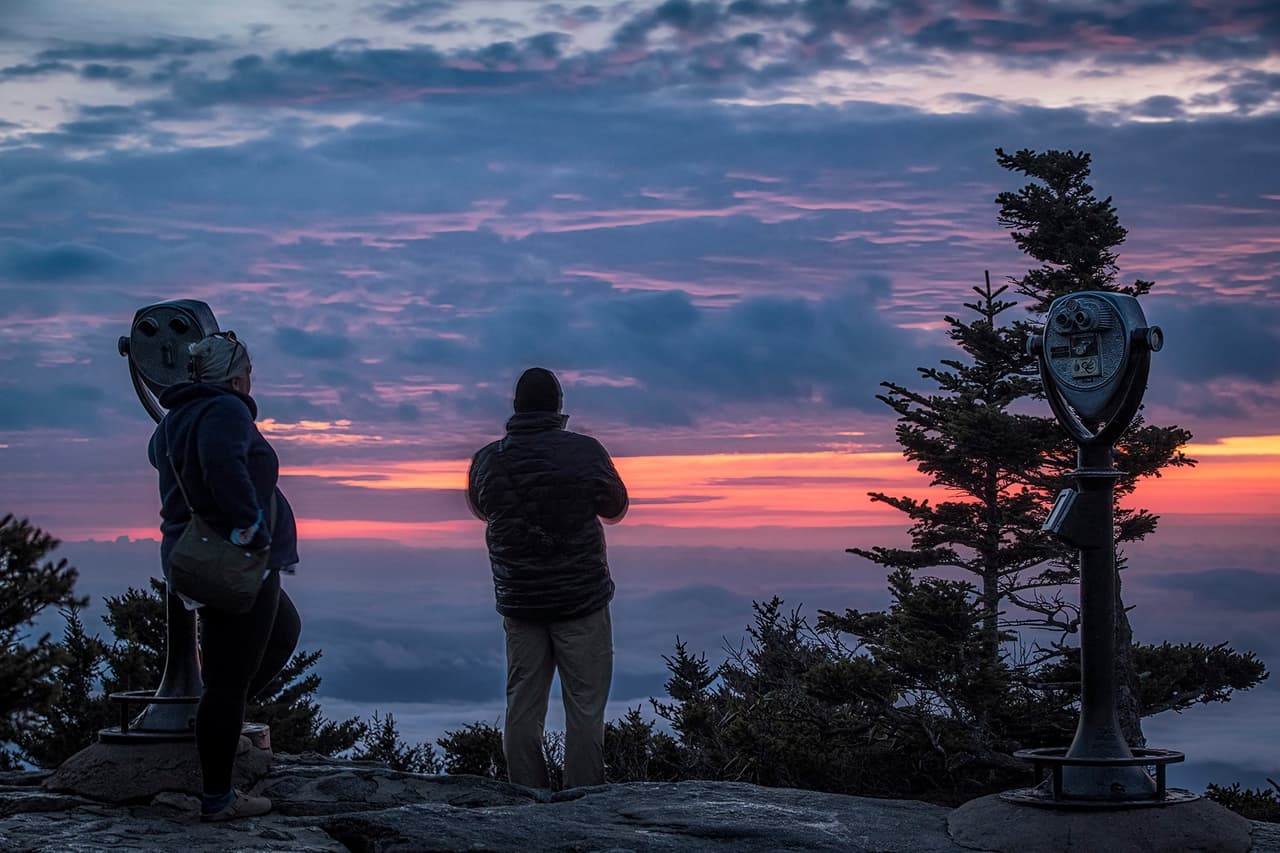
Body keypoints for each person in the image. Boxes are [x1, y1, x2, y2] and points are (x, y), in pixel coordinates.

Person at [148, 331, 301, 822]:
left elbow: (161, 457)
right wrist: (250, 530)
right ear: (236, 376)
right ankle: (219, 795)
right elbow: (222, 467)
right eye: (249, 371)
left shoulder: (176, 417)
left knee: (282, 631)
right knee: (228, 678)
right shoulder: (227, 409)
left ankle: (218, 724)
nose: (252, 379)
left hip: (194, 555)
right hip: (232, 561)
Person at [466, 367, 628, 789]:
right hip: (582, 601)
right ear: (558, 407)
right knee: (586, 708)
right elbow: (615, 507)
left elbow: (482, 509)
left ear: (516, 407)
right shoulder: (586, 452)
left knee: (522, 706)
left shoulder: (487, 460)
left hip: (521, 602)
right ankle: (583, 799)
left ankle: (527, 797)